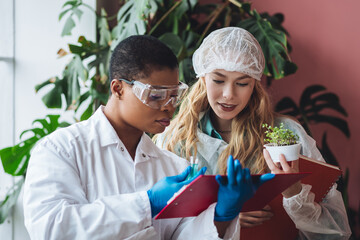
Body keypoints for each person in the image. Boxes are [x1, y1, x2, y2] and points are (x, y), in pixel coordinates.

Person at [23, 35, 274, 240]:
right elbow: (51, 228)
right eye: (156, 95)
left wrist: (222, 214)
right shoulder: (60, 149)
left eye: (174, 95)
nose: (168, 106)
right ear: (118, 88)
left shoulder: (174, 166)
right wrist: (148, 203)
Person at [155, 27, 352, 239]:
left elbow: (335, 232)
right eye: (219, 80)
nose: (229, 94)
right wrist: (222, 219)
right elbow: (160, 226)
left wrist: (295, 195)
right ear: (203, 78)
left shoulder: (286, 135)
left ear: (255, 85)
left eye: (242, 83)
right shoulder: (175, 140)